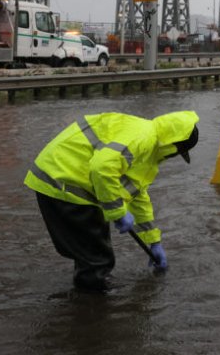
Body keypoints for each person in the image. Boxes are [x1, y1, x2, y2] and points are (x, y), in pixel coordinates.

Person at [23, 111, 200, 292]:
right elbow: (102, 168)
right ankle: (94, 308)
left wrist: (153, 241)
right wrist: (117, 211)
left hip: (65, 179)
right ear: (172, 146)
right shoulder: (142, 138)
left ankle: (85, 298)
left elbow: (137, 196)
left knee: (92, 252)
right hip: (63, 180)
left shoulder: (147, 145)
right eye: (177, 152)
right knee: (98, 259)